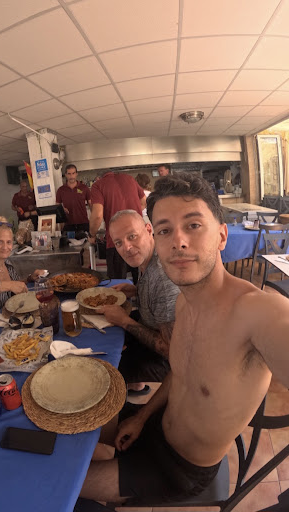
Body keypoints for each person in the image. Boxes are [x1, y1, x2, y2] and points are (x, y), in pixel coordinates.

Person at [80, 173, 289, 503]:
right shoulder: (183, 302)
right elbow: (180, 374)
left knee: (60, 488)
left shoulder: (260, 312)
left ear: (222, 236)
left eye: (193, 225)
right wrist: (141, 417)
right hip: (155, 425)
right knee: (77, 428)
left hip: (181, 469)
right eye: (165, 230)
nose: (178, 241)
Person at [98, 210, 179, 395]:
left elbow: (171, 352)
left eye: (132, 236)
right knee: (105, 331)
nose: (126, 247)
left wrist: (124, 321)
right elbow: (154, 296)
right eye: (119, 243)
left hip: (168, 360)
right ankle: (137, 385)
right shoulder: (148, 257)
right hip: (151, 324)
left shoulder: (163, 279)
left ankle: (124, 403)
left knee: (105, 368)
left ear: (149, 229)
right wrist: (136, 290)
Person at [88, 171, 145, 280]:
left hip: (117, 242)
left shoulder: (98, 185)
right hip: (138, 238)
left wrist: (92, 235)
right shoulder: (130, 179)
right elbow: (143, 202)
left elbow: (97, 216)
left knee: (117, 283)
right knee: (142, 280)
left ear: (99, 177)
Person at [56, 164, 91, 233]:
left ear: (76, 174)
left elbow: (91, 204)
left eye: (73, 173)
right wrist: (62, 209)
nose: (71, 176)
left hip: (83, 223)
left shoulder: (84, 188)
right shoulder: (61, 190)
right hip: (68, 225)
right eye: (69, 174)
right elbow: (57, 207)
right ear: (66, 175)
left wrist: (94, 219)